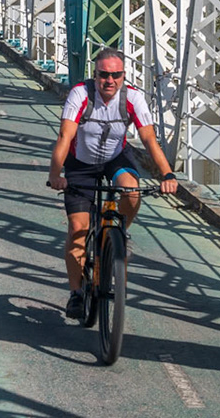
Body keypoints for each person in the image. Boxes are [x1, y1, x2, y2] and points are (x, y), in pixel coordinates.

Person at [45, 46, 177, 319]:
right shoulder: (80, 94)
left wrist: (167, 175)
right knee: (77, 229)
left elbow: (150, 140)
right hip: (80, 163)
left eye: (116, 75)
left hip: (115, 158)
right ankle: (76, 293)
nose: (110, 80)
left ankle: (119, 232)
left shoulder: (134, 98)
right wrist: (55, 175)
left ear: (123, 75)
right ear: (95, 75)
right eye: (104, 74)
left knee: (131, 191)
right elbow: (65, 137)